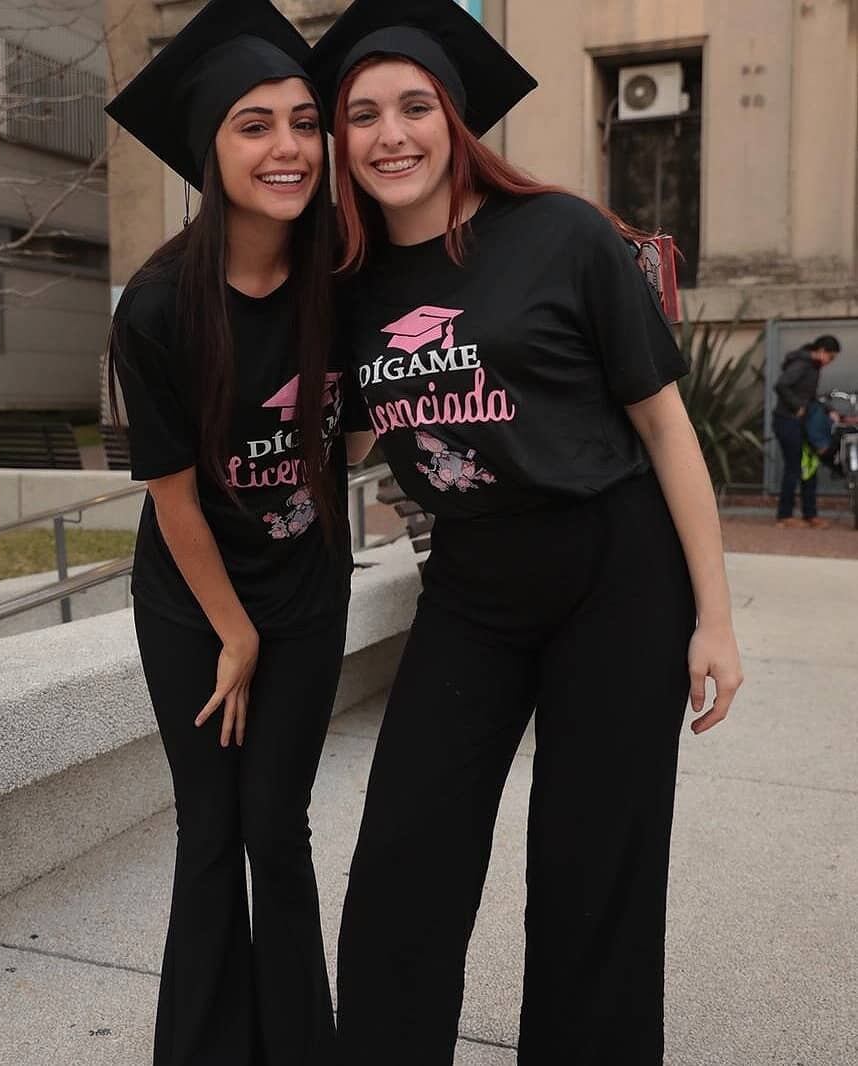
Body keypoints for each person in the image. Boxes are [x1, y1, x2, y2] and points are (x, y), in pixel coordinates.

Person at [307, 1, 745, 1063]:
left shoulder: (561, 235)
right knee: (406, 855)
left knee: (594, 868)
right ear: (339, 139)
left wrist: (715, 620)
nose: (390, 133)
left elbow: (664, 429)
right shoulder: (346, 284)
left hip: (616, 573)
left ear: (456, 120)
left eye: (414, 105)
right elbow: (350, 439)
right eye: (362, 114)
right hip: (470, 584)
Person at [104, 2, 371, 1061]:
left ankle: (302, 1045)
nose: (287, 147)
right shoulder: (159, 305)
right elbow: (174, 498)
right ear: (212, 150)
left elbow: (348, 438)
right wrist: (232, 632)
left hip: (303, 591)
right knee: (210, 832)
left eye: (305, 123)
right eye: (254, 124)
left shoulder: (344, 279)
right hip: (191, 602)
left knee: (279, 827)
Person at [773, 335, 841, 528]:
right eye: (831, 357)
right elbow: (781, 385)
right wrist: (797, 407)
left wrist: (829, 410)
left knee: (809, 467)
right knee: (794, 467)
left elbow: (810, 396)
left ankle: (810, 514)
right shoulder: (802, 364)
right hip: (787, 422)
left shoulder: (813, 367)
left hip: (801, 424)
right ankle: (784, 516)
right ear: (821, 351)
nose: (830, 362)